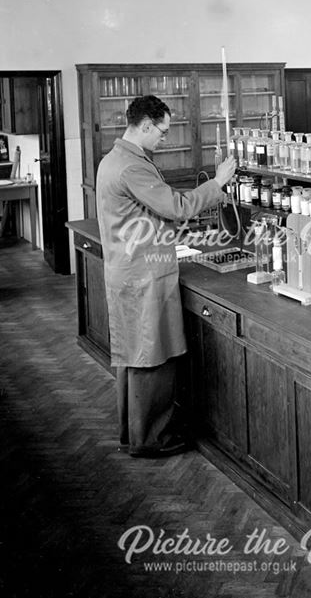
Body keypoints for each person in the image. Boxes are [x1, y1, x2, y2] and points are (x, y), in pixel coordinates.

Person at [96, 95, 236, 458]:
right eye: (162, 131)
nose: (165, 139)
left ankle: (135, 435)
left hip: (128, 270)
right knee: (150, 355)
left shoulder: (116, 159)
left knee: (133, 355)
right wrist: (218, 182)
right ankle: (152, 440)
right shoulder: (133, 167)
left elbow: (147, 215)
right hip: (143, 275)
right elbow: (177, 206)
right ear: (145, 125)